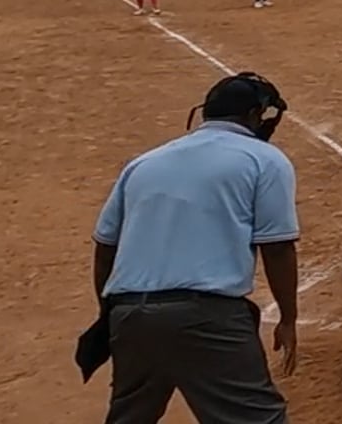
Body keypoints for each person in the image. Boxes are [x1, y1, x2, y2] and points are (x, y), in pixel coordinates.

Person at [86, 73, 300, 423]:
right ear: (253, 115)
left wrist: (108, 316)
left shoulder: (144, 163)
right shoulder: (264, 159)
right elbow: (277, 248)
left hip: (130, 316)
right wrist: (288, 319)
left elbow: (106, 247)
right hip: (208, 320)